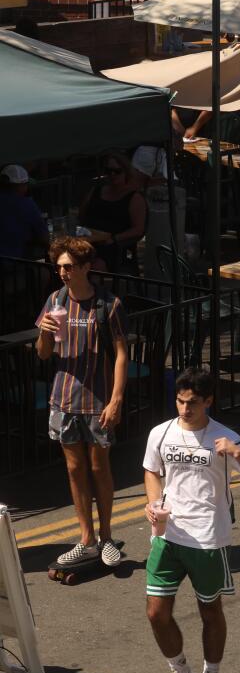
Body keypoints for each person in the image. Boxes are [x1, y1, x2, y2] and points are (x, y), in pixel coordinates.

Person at [143, 368, 240, 673]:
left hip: (208, 539)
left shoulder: (226, 437)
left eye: (193, 403)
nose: (185, 409)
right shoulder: (160, 433)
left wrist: (238, 454)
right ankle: (179, 672)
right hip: (168, 536)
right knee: (156, 613)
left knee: (210, 610)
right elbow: (152, 470)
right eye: (180, 401)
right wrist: (154, 504)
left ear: (208, 401)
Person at [35, 236, 129, 568]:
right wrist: (44, 332)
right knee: (75, 469)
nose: (62, 272)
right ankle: (86, 539)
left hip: (98, 399)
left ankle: (106, 537)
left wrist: (116, 400)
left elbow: (122, 354)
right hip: (63, 398)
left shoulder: (108, 305)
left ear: (86, 267)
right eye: (59, 266)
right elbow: (44, 354)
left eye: (69, 266)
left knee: (99, 467)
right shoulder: (55, 301)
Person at [78, 151, 147, 274]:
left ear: (126, 172)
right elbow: (81, 215)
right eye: (108, 171)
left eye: (117, 171)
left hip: (113, 246)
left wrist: (114, 239)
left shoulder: (134, 198)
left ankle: (95, 286)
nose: (112, 174)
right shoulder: (96, 191)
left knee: (95, 266)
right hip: (88, 241)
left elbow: (138, 229)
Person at [0, 164, 49, 260]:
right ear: (18, 186)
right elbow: (44, 238)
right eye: (25, 184)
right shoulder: (26, 203)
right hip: (15, 263)